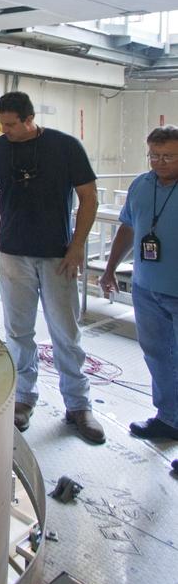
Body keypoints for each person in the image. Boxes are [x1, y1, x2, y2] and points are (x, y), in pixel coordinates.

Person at [0, 91, 104, 443]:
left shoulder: (65, 147)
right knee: (18, 332)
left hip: (58, 255)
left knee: (65, 331)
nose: (5, 130)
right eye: (2, 123)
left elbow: (89, 198)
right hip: (13, 253)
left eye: (11, 125)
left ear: (30, 120)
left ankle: (78, 405)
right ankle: (24, 399)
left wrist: (77, 247)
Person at [100, 125, 178, 441]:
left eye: (169, 156)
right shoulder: (141, 185)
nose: (160, 162)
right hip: (146, 289)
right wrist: (109, 270)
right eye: (154, 156)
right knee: (157, 355)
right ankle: (169, 418)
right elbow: (128, 230)